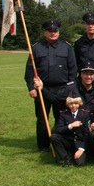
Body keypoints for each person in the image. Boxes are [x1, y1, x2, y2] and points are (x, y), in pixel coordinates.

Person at [25, 19, 77, 153]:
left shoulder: (66, 47)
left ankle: (60, 144)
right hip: (42, 89)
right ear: (45, 33)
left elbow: (72, 69)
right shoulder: (36, 48)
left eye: (55, 31)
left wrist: (70, 88)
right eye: (50, 31)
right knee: (42, 119)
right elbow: (30, 70)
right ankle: (43, 146)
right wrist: (31, 87)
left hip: (62, 89)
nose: (53, 33)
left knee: (61, 118)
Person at [50, 95, 90, 167]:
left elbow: (87, 133)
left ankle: (77, 154)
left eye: (76, 103)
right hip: (68, 141)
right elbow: (57, 129)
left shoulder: (85, 114)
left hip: (79, 142)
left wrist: (81, 149)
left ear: (79, 104)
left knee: (80, 163)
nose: (73, 106)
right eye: (71, 104)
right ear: (68, 105)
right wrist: (70, 126)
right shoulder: (63, 114)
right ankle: (65, 157)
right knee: (53, 137)